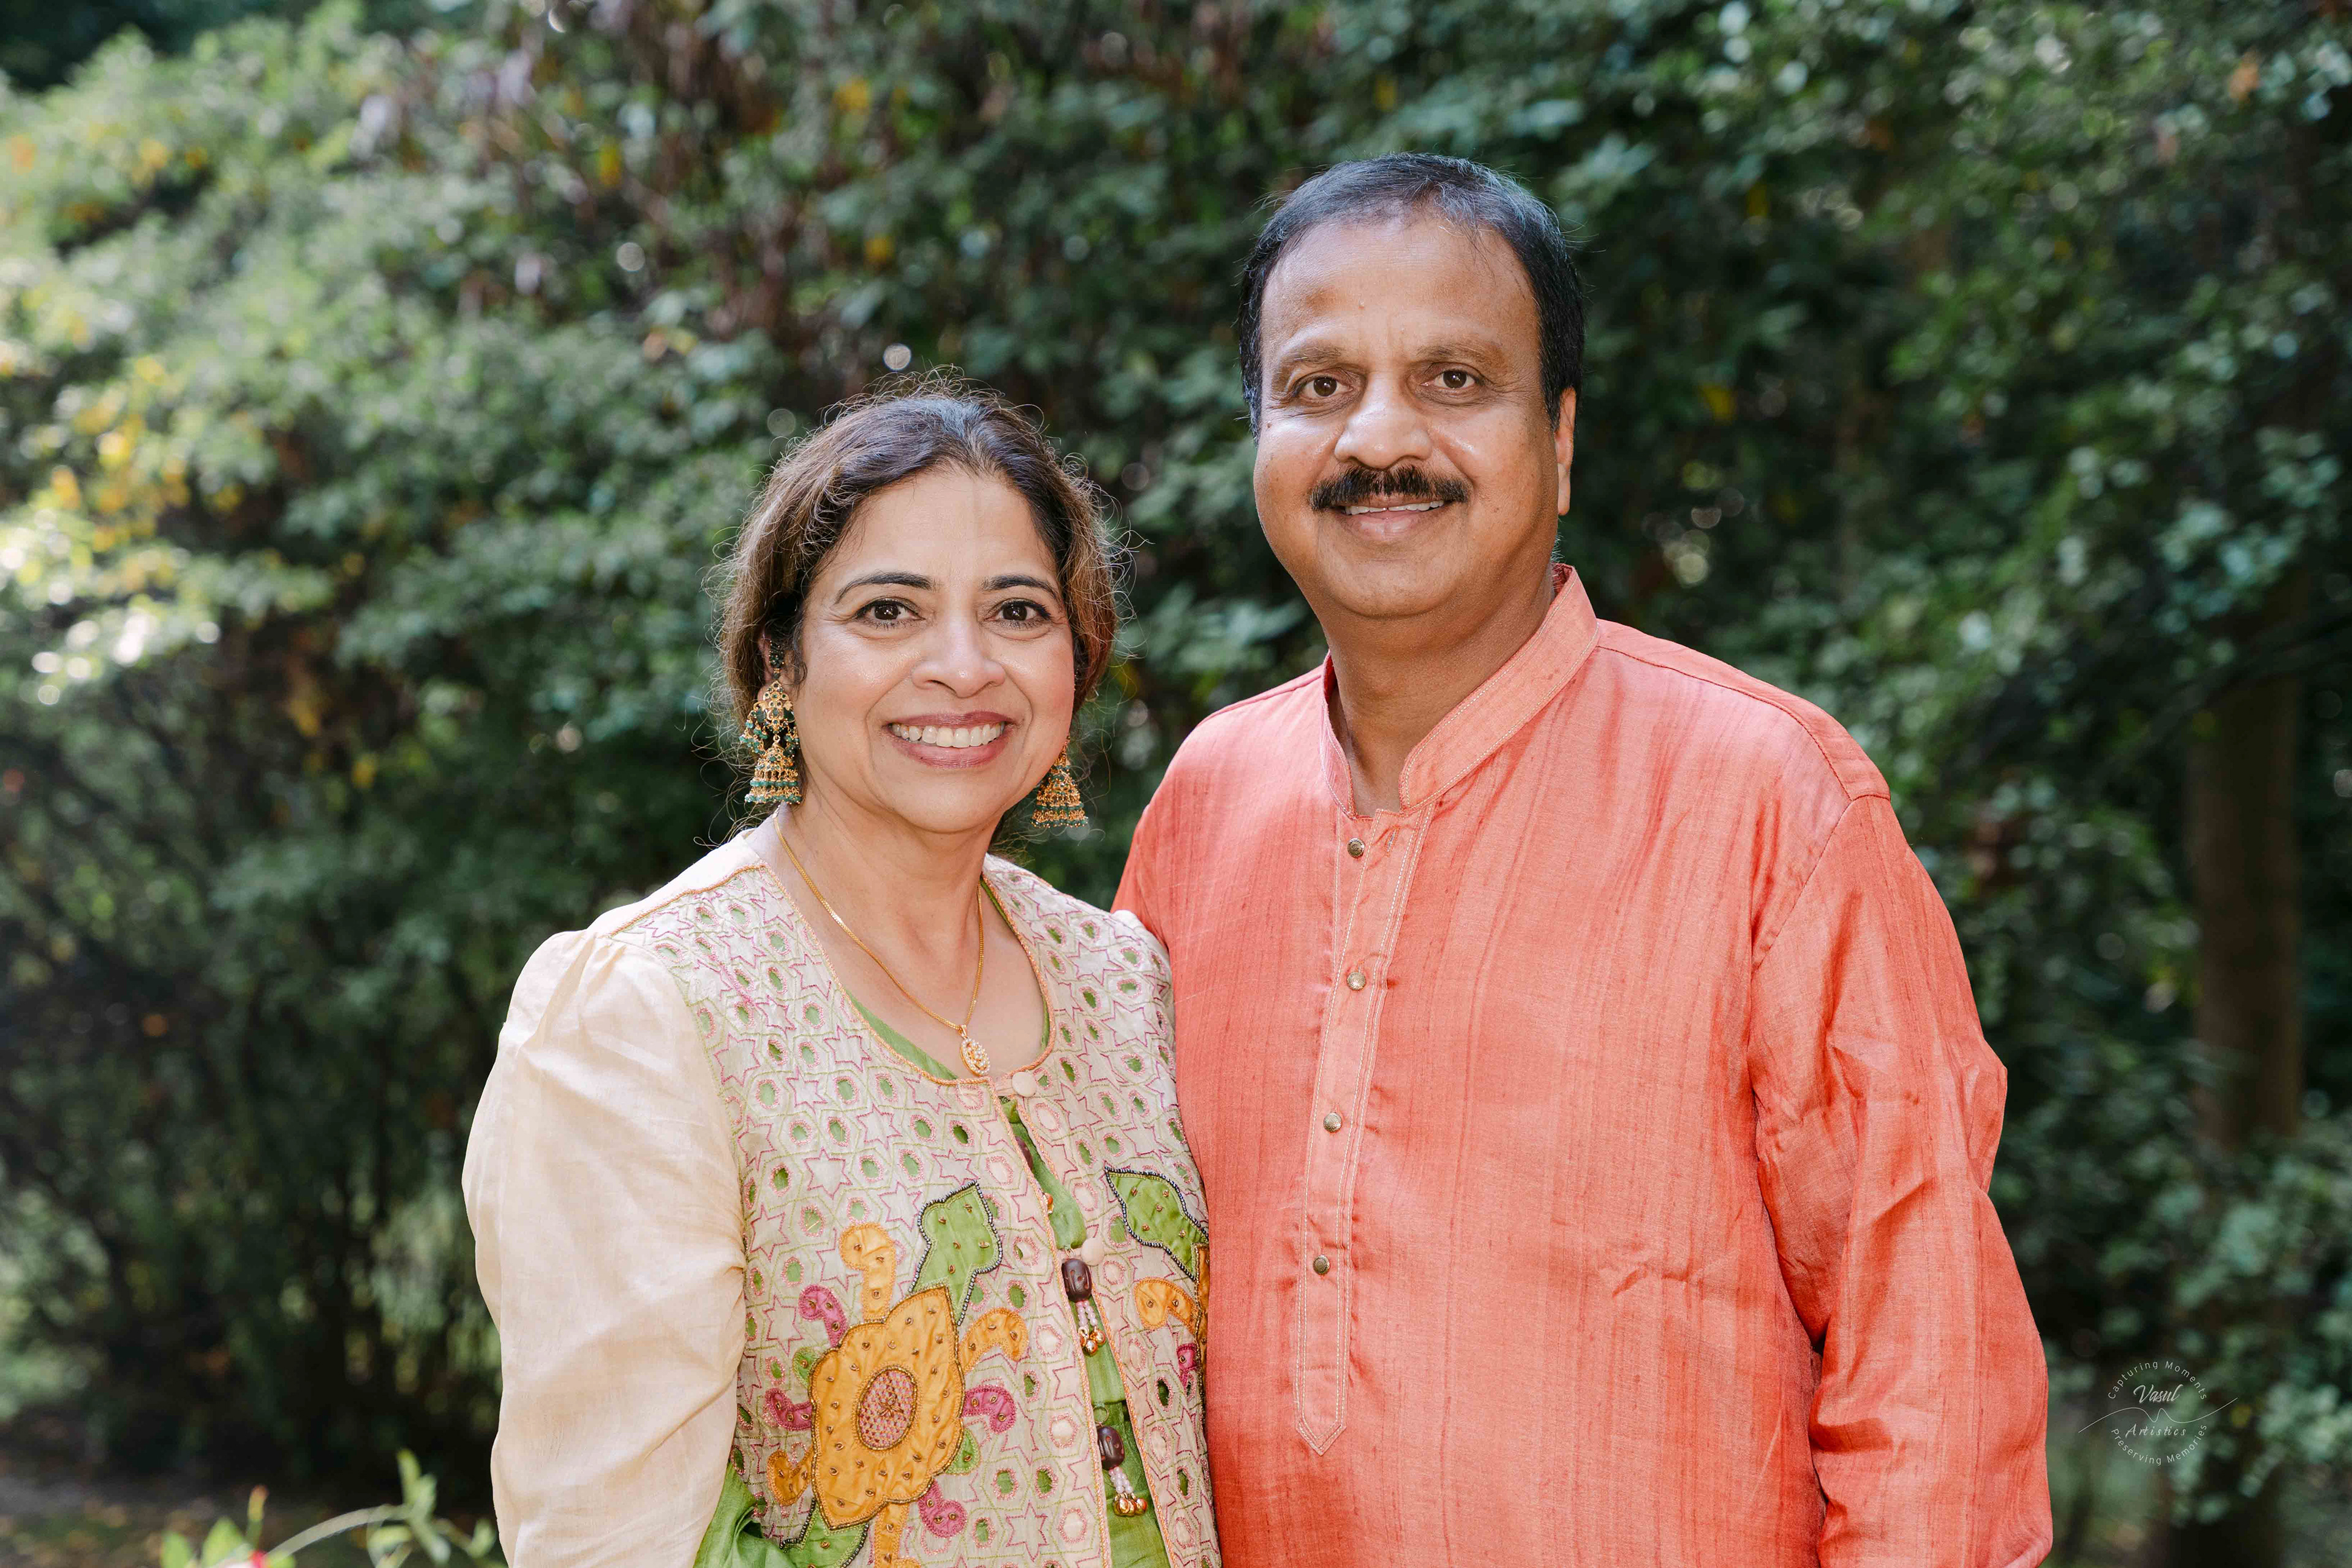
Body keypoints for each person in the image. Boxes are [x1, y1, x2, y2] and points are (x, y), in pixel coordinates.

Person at [1115, 154, 2052, 1565]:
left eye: (1453, 379)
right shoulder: (1205, 801)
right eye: (1318, 384)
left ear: (1559, 439)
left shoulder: (1768, 797)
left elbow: (1931, 1374)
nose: (1380, 435)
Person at [464, 385, 1218, 1568]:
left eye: (1016, 611)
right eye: (888, 611)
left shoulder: (1126, 981)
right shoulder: (648, 1010)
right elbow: (617, 1537)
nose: (963, 666)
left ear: (1076, 658)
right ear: (782, 659)